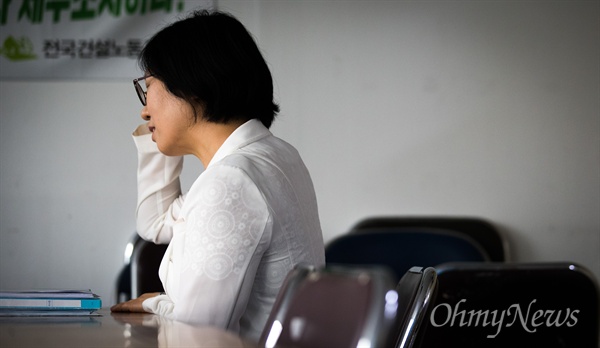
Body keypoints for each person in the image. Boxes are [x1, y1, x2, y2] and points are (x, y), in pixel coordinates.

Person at [110, 10, 325, 341]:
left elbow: (197, 333)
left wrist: (158, 303)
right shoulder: (274, 155)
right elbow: (156, 223)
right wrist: (155, 140)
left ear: (191, 84)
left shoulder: (232, 181)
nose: (144, 108)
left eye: (149, 86)